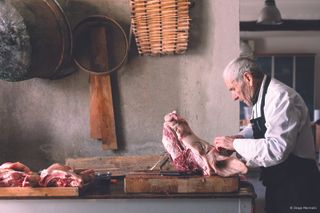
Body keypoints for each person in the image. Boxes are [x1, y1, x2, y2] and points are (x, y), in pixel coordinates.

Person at [214, 57, 320, 213]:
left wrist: (234, 144)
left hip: (298, 186)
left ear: (248, 78)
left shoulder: (281, 97)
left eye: (233, 88)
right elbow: (259, 127)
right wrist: (240, 138)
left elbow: (276, 149)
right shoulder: (260, 97)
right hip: (279, 182)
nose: (234, 97)